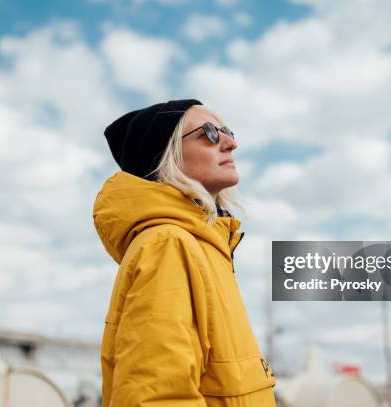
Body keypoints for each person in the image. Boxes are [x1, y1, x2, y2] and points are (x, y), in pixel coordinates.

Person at [93, 99, 277, 406]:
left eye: (226, 131)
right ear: (166, 155)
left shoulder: (205, 248)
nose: (231, 143)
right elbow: (156, 397)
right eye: (209, 133)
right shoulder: (168, 245)